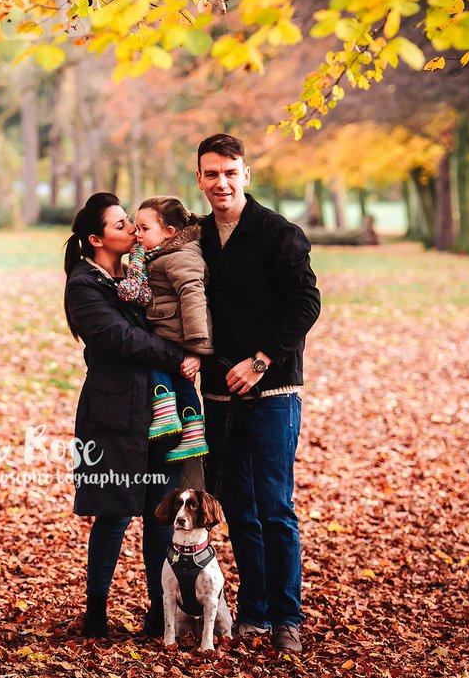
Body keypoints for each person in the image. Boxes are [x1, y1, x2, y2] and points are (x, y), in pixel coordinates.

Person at [195, 134, 321, 653]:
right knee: (239, 508)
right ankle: (254, 612)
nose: (220, 182)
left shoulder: (278, 234)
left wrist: (262, 359)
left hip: (273, 390)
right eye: (210, 174)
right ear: (199, 178)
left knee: (275, 507)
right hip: (218, 393)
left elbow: (305, 305)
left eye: (230, 172)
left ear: (246, 174)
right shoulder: (194, 236)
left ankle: (286, 616)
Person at [63, 192, 201, 639]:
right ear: (95, 237)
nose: (131, 230)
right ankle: (96, 612)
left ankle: (159, 612)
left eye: (130, 223)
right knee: (114, 513)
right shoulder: (84, 285)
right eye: (120, 224)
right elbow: (119, 338)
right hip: (115, 412)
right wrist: (178, 352)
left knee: (161, 512)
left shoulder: (140, 271)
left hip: (162, 413)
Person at [116, 197, 213, 483]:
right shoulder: (165, 254)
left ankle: (165, 414)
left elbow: (193, 295)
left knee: (153, 359)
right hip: (174, 329)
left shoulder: (180, 256)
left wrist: (196, 346)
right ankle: (193, 434)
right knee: (184, 386)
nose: (138, 233)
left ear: (169, 232)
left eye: (144, 228)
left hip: (176, 332)